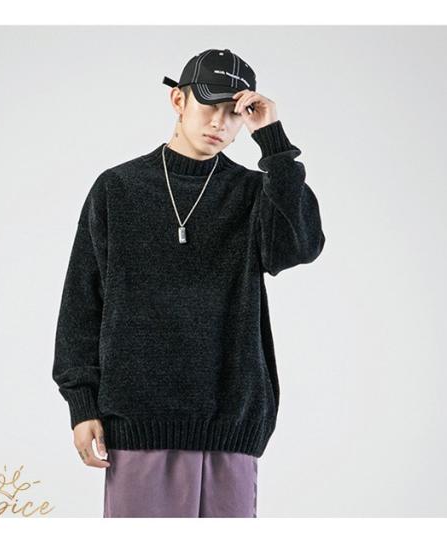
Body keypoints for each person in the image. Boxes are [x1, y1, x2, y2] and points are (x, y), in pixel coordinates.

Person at [52, 48, 326, 517]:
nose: (220, 122)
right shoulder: (117, 188)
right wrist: (82, 404)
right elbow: (82, 302)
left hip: (230, 423)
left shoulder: (252, 193)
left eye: (234, 112)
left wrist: (274, 143)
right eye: (209, 106)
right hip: (137, 422)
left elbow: (301, 244)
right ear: (178, 100)